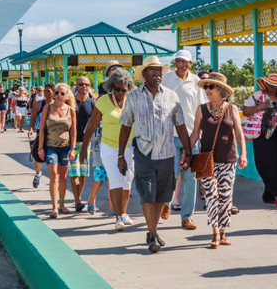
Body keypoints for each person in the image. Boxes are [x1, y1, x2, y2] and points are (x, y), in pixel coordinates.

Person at [116, 56, 196, 254]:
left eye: (159, 70)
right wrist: (121, 156)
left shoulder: (171, 96)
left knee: (162, 194)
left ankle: (153, 231)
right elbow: (125, 126)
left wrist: (188, 152)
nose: (157, 74)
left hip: (167, 153)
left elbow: (181, 126)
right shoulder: (133, 97)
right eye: (152, 70)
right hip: (143, 153)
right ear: (144, 74)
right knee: (147, 193)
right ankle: (152, 234)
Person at [191, 71, 246, 248]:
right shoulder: (201, 109)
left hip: (228, 159)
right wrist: (187, 152)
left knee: (225, 196)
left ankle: (223, 232)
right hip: (207, 160)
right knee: (211, 195)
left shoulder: (232, 109)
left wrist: (243, 154)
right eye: (206, 87)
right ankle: (215, 233)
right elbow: (195, 133)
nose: (207, 90)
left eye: (211, 87)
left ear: (220, 89)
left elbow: (239, 133)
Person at [79, 66, 136, 230]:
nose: (120, 92)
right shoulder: (103, 102)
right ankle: (117, 217)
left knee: (127, 181)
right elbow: (91, 126)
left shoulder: (132, 101)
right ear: (111, 87)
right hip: (109, 147)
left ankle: (124, 213)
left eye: (123, 90)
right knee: (115, 180)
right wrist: (84, 149)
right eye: (117, 89)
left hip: (129, 147)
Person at [164, 49, 208, 230]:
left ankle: (187, 217)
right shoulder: (166, 79)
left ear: (190, 64)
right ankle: (166, 203)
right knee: (172, 174)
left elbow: (201, 108)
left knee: (191, 178)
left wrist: (201, 133)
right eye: (178, 61)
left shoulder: (196, 81)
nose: (181, 65)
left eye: (184, 62)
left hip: (192, 136)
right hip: (171, 135)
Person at [243, 71, 277, 208]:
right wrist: (259, 107)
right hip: (262, 133)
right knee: (267, 163)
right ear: (265, 84)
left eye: (275, 84)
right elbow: (245, 111)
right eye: (269, 83)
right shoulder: (258, 96)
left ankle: (271, 195)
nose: (271, 86)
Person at [36, 82, 79, 218]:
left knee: (63, 176)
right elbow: (42, 129)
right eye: (57, 93)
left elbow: (73, 131)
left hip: (66, 147)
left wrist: (73, 149)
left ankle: (62, 204)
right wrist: (40, 147)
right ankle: (54, 207)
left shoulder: (70, 110)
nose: (59, 95)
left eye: (62, 93)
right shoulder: (47, 108)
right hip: (51, 146)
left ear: (67, 96)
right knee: (54, 175)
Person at [69, 79, 97, 213]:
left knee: (83, 173)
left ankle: (78, 198)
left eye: (86, 84)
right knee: (74, 171)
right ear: (76, 86)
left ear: (89, 86)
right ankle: (77, 201)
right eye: (80, 84)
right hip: (72, 143)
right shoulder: (70, 102)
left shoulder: (92, 104)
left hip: (87, 143)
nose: (83, 86)